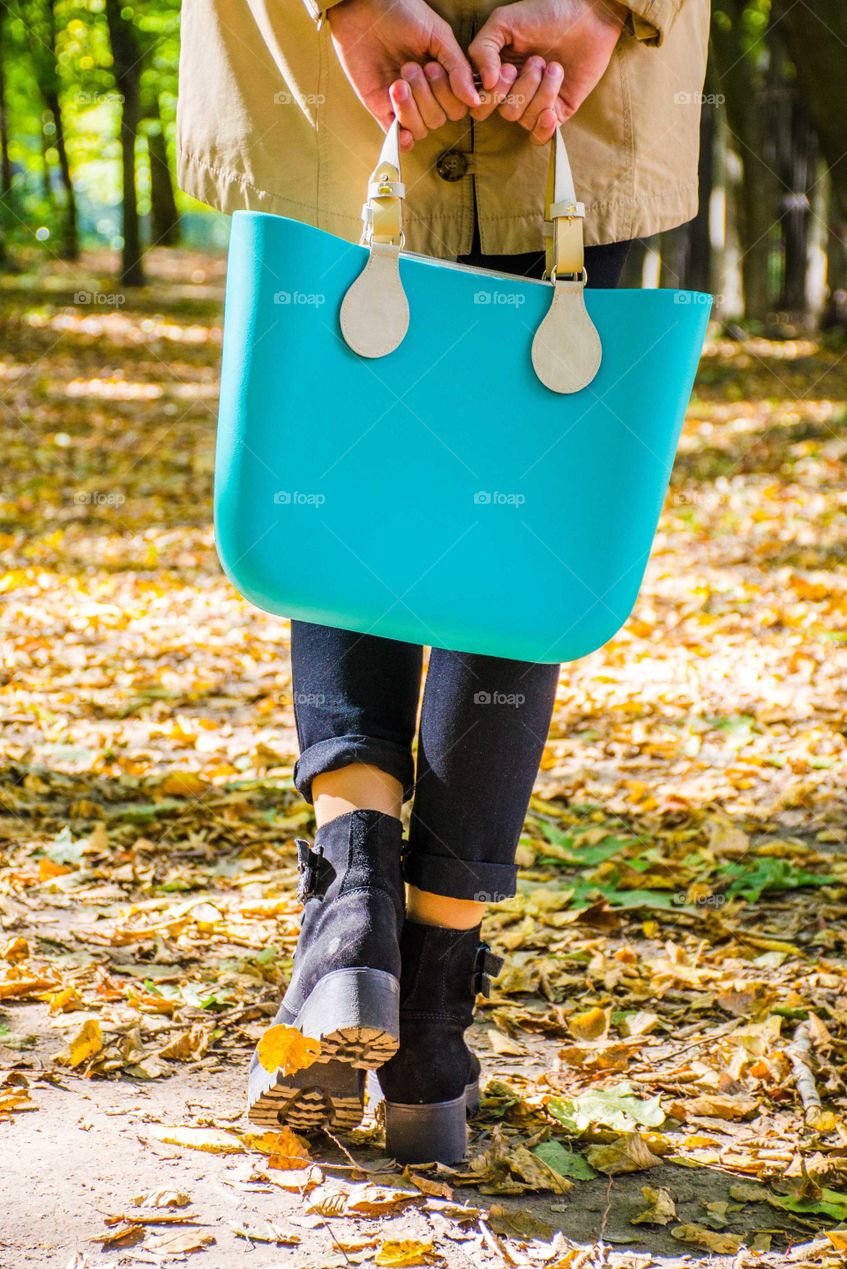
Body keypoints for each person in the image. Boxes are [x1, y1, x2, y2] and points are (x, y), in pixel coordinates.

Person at [177, 0, 710, 1164]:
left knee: (342, 454)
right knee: (525, 489)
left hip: (330, 74)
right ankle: (427, 1033)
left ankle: (348, 923)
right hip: (570, 80)